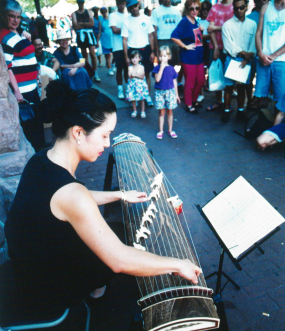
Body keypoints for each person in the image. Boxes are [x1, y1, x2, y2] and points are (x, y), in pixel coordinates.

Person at [4, 81, 202, 313]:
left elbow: (67, 200)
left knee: (115, 231)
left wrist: (119, 194)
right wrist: (179, 264)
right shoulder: (72, 195)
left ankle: (97, 288)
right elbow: (119, 260)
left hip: (29, 268)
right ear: (78, 132)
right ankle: (97, 298)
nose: (107, 144)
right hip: (45, 291)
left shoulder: (41, 159)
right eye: (105, 135)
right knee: (126, 241)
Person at [0, 0, 46, 151]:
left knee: (37, 120)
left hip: (32, 86)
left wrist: (22, 33)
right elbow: (7, 67)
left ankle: (41, 151)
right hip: (22, 90)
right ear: (4, 16)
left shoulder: (17, 32)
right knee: (31, 125)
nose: (15, 20)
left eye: (18, 16)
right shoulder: (4, 36)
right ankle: (37, 156)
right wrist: (17, 91)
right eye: (11, 16)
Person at [255, 0, 285, 112]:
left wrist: (274, 55)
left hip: (284, 61)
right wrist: (260, 53)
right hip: (263, 59)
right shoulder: (266, 7)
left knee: (280, 100)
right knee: (260, 98)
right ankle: (260, 127)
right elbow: (258, 34)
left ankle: (276, 132)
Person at [221, 0, 257, 124]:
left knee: (242, 87)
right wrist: (243, 53)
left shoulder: (252, 25)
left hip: (246, 61)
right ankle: (226, 111)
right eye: (236, 8)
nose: (239, 10)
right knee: (229, 87)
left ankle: (240, 111)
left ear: (246, 7)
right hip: (231, 59)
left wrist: (247, 59)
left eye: (241, 7)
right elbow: (228, 45)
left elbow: (254, 43)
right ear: (233, 9)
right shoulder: (227, 25)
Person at [206, 0, 236, 111]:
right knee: (217, 75)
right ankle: (219, 101)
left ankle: (228, 105)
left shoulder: (236, 7)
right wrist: (216, 47)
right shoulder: (215, 8)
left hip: (232, 48)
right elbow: (209, 29)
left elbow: (234, 28)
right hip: (217, 46)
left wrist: (218, 27)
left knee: (230, 77)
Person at [171, 0, 204, 114]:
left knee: (200, 81)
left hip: (199, 57)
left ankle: (194, 101)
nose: (194, 11)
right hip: (188, 58)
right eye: (191, 8)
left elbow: (198, 38)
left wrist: (202, 30)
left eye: (197, 8)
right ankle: (189, 104)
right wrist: (184, 46)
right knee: (190, 82)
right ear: (187, 9)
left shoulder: (196, 21)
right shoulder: (184, 21)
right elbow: (174, 36)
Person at [121, 0, 155, 107]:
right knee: (132, 75)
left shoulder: (146, 19)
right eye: (130, 7)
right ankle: (134, 98)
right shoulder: (126, 21)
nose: (133, 9)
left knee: (147, 74)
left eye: (135, 6)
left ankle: (147, 96)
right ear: (128, 9)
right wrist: (126, 56)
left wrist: (153, 51)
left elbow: (151, 36)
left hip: (145, 49)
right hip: (133, 50)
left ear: (138, 5)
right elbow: (124, 39)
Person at [247, 0, 270, 110]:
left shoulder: (271, 14)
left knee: (264, 82)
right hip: (252, 54)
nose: (261, 1)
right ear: (255, 1)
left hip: (265, 54)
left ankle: (261, 104)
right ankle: (250, 100)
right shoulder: (250, 17)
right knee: (249, 80)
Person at [152, 46, 180, 139]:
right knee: (161, 112)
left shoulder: (172, 69)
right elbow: (157, 79)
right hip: (160, 92)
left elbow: (174, 81)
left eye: (164, 56)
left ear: (169, 57)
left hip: (170, 92)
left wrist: (177, 95)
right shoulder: (157, 68)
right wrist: (161, 68)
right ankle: (160, 131)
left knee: (170, 112)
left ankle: (170, 130)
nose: (162, 58)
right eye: (160, 56)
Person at [151, 0, 181, 67]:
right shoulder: (156, 11)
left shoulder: (176, 11)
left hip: (175, 41)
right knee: (163, 66)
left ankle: (174, 80)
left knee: (176, 66)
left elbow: (180, 28)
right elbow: (154, 30)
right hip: (162, 40)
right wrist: (156, 46)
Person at [72, 0, 100, 83]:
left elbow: (92, 24)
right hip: (81, 36)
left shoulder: (88, 12)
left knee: (93, 54)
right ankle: (87, 72)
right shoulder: (74, 13)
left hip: (89, 35)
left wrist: (81, 23)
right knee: (84, 56)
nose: (81, 4)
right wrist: (86, 23)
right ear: (78, 3)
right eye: (79, 2)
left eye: (82, 2)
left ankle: (95, 73)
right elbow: (75, 26)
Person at [109, 0, 128, 99]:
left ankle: (128, 89)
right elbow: (114, 30)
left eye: (123, 3)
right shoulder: (113, 15)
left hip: (128, 46)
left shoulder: (128, 15)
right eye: (120, 4)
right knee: (119, 69)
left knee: (127, 69)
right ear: (117, 4)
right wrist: (127, 29)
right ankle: (120, 90)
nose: (121, 6)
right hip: (117, 46)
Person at [127, 50, 149, 118]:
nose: (134, 59)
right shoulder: (130, 67)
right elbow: (130, 76)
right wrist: (137, 74)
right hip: (132, 85)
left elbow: (142, 76)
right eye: (133, 58)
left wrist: (134, 74)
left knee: (142, 99)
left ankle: (142, 111)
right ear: (131, 59)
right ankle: (135, 110)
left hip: (140, 86)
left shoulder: (142, 67)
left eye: (136, 58)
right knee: (133, 99)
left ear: (139, 58)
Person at [198, 0, 212, 101]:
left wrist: (203, 36)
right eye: (203, 9)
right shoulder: (198, 21)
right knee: (201, 68)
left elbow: (212, 35)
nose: (205, 11)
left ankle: (208, 84)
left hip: (210, 47)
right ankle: (201, 89)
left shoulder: (211, 22)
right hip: (201, 47)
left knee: (210, 67)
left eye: (207, 9)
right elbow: (198, 37)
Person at [100, 7, 114, 76]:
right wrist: (97, 41)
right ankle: (109, 69)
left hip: (113, 39)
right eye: (102, 11)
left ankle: (112, 64)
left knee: (115, 55)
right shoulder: (101, 21)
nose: (104, 12)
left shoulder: (111, 19)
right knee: (107, 55)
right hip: (105, 40)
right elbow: (100, 31)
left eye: (105, 11)